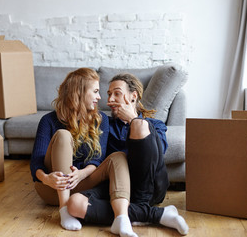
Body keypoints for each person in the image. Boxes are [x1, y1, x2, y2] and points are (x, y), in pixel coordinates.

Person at [67, 73, 189, 236]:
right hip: (116, 187)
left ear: (133, 96)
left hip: (149, 187)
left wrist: (133, 119)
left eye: (117, 93)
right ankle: (155, 215)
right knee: (75, 204)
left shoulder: (154, 124)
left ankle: (136, 208)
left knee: (140, 126)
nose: (110, 100)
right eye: (109, 94)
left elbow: (157, 154)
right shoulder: (105, 124)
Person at [30, 68, 134, 234]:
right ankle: (64, 210)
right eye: (95, 91)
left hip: (82, 183)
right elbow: (36, 162)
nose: (100, 97)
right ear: (78, 93)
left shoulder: (102, 120)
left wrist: (81, 174)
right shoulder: (48, 120)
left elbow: (98, 160)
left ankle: (121, 218)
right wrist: (47, 178)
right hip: (52, 189)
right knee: (63, 135)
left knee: (118, 157)